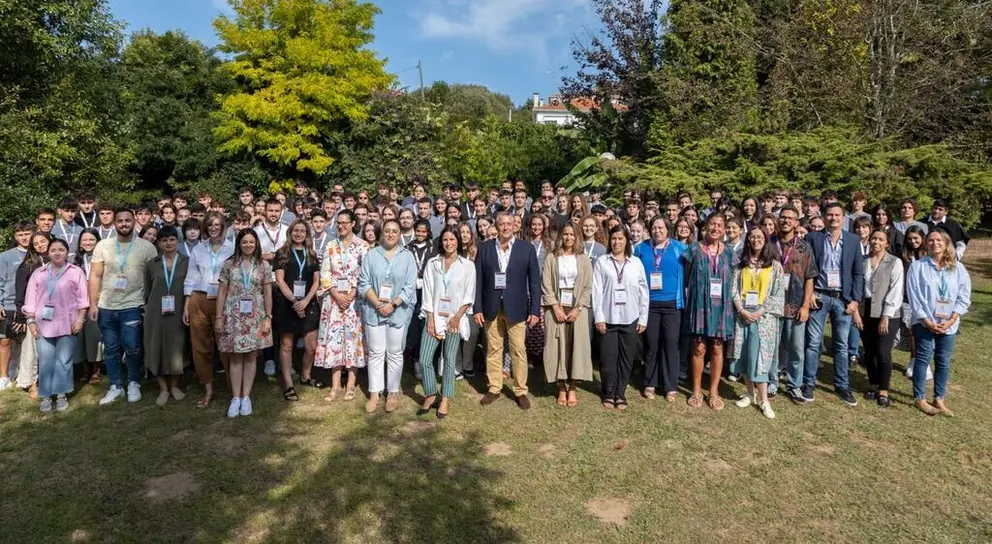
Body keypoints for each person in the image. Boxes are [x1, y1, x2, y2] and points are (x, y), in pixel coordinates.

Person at [88, 208, 158, 405]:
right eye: (120, 221)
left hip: (134, 304)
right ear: (114, 223)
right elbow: (94, 275)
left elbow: (155, 277)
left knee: (133, 347)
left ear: (134, 222)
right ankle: (115, 386)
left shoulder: (146, 247)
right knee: (110, 348)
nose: (124, 224)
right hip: (107, 306)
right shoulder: (103, 245)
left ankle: (134, 382)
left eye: (128, 220)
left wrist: (149, 303)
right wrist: (93, 303)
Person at [475, 212, 541, 409]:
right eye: (501, 224)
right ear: (496, 226)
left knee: (518, 350)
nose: (505, 227)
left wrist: (535, 310)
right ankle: (495, 387)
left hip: (517, 306)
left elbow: (535, 282)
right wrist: (477, 308)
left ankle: (520, 390)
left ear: (515, 226)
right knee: (493, 349)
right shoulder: (485, 248)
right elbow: (478, 281)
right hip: (491, 306)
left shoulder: (526, 249)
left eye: (508, 224)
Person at [803, 202, 864, 406]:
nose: (833, 218)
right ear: (825, 216)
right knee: (813, 343)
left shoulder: (854, 241)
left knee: (841, 345)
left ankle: (841, 385)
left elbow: (858, 272)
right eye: (830, 215)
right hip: (819, 296)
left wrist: (855, 300)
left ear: (844, 217)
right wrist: (809, 294)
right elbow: (807, 269)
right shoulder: (813, 238)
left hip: (842, 299)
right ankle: (809, 382)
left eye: (837, 215)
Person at [906, 229, 971, 416]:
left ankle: (939, 398)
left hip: (949, 324)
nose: (934, 243)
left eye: (938, 240)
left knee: (943, 362)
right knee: (923, 358)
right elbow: (914, 296)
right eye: (931, 240)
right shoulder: (918, 267)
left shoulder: (958, 268)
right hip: (924, 322)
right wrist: (926, 321)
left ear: (946, 243)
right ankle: (920, 398)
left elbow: (964, 296)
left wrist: (951, 320)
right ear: (926, 244)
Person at [358, 219, 417, 413]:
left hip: (397, 311)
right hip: (374, 310)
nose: (391, 234)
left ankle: (392, 392)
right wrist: (377, 303)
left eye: (395, 231)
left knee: (394, 353)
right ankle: (375, 392)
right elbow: (364, 282)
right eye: (387, 231)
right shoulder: (372, 255)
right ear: (382, 232)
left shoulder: (407, 256)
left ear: (400, 233)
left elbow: (410, 286)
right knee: (375, 352)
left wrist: (392, 304)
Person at [416, 227, 476, 419]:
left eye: (452, 239)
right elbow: (427, 292)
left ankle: (445, 399)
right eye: (445, 239)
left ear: (458, 240)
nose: (448, 243)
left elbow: (468, 296)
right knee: (425, 359)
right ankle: (431, 393)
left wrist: (457, 317)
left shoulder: (467, 266)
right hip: (433, 318)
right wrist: (431, 319)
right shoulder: (432, 263)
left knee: (450, 360)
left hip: (453, 320)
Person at [23, 238, 88, 412]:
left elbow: (83, 299)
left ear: (67, 252)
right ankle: (45, 396)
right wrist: (30, 321)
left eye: (61, 250)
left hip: (68, 323)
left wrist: (80, 319)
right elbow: (30, 298)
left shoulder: (76, 272)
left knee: (64, 360)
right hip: (43, 324)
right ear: (48, 252)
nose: (57, 253)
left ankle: (61, 394)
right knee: (45, 360)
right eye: (53, 250)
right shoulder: (39, 273)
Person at [216, 229, 273, 418]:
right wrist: (218, 317)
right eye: (244, 242)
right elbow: (222, 292)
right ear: (238, 244)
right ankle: (235, 397)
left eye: (251, 242)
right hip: (233, 316)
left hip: (255, 316)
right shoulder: (229, 264)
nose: (248, 245)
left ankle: (246, 396)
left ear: (256, 244)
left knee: (250, 356)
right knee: (235, 357)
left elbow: (267, 293)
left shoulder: (263, 265)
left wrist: (268, 317)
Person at [731, 227, 787, 419]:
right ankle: (749, 393)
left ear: (765, 240)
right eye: (752, 237)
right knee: (745, 355)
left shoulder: (775, 266)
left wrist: (759, 312)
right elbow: (734, 290)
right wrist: (741, 310)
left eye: (759, 237)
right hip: (743, 317)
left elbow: (777, 294)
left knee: (760, 358)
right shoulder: (741, 265)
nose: (756, 240)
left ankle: (764, 400)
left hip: (764, 320)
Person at [681, 214, 736, 410]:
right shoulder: (694, 249)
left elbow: (733, 278)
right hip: (699, 305)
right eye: (712, 224)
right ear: (706, 226)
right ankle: (696, 390)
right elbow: (686, 277)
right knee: (698, 348)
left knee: (717, 348)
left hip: (721, 308)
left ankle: (713, 392)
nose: (716, 228)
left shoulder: (729, 251)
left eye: (720, 225)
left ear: (724, 229)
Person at [315, 210, 369, 402]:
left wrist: (352, 293)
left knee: (353, 340)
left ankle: (352, 384)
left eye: (345, 222)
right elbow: (325, 273)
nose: (341, 226)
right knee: (334, 339)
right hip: (334, 300)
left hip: (355, 302)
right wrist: (337, 295)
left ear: (353, 223)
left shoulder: (363, 246)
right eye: (338, 223)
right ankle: (336, 385)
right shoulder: (330, 246)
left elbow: (365, 273)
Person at [593, 226, 648, 409]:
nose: (617, 242)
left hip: (630, 317)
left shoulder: (636, 263)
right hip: (608, 317)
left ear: (627, 241)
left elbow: (643, 292)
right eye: (614, 239)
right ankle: (608, 391)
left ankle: (620, 392)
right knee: (608, 358)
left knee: (626, 358)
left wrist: (643, 318)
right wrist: (599, 317)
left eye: (620, 239)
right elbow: (597, 290)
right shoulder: (602, 262)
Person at [183, 213, 234, 408]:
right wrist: (187, 305)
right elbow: (190, 277)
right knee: (201, 347)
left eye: (217, 224)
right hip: (200, 298)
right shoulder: (198, 248)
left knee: (226, 345)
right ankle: (208, 390)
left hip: (224, 300)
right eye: (210, 225)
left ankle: (233, 388)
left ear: (223, 227)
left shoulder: (231, 248)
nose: (213, 228)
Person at [634, 217, 687, 402]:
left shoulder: (679, 248)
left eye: (661, 227)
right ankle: (650, 382)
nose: (657, 230)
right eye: (654, 227)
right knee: (651, 344)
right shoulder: (641, 248)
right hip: (649, 304)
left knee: (671, 344)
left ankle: (670, 385)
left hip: (673, 303)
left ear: (668, 229)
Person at [541, 223, 593, 407]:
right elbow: (546, 283)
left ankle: (573, 386)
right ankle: (561, 386)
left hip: (576, 307)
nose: (569, 238)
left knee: (575, 347)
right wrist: (555, 306)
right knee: (557, 347)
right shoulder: (551, 258)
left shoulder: (583, 259)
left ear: (577, 237)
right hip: (556, 304)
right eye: (566, 234)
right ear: (561, 236)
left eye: (572, 234)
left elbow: (587, 286)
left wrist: (578, 308)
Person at [272, 220, 321, 401]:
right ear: (290, 232)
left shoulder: (312, 255)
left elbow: (316, 281)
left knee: (311, 347)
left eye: (302, 231)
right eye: (296, 230)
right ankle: (288, 385)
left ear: (307, 234)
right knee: (286, 345)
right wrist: (294, 301)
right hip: (287, 304)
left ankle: (305, 376)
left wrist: (306, 301)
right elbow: (280, 280)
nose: (299, 234)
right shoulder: (282, 253)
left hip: (309, 304)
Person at [856, 229, 904, 407]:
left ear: (887, 243)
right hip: (865, 310)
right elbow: (857, 287)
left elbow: (896, 290)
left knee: (883, 352)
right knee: (869, 351)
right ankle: (873, 384)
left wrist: (886, 316)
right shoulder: (862, 261)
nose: (876, 242)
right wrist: (856, 312)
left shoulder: (894, 262)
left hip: (887, 312)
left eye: (880, 239)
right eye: (873, 238)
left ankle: (884, 389)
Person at [775, 206, 818, 405]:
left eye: (790, 218)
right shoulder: (768, 244)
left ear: (796, 222)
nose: (785, 221)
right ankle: (772, 382)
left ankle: (794, 385)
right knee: (772, 348)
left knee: (797, 349)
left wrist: (805, 306)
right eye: (783, 217)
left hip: (795, 306)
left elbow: (810, 278)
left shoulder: (804, 247)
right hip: (772, 306)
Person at [142, 226, 189, 406]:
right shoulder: (152, 264)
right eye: (164, 240)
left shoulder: (186, 261)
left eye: (171, 239)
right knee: (156, 347)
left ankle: (175, 385)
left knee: (177, 346)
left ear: (177, 241)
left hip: (178, 311)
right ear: (159, 243)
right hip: (156, 313)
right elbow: (147, 289)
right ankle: (163, 388)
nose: (168, 243)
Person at [14, 232, 52, 396]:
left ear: (50, 241)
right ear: (32, 247)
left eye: (43, 241)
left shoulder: (59, 261)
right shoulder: (28, 265)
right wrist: (23, 316)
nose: (40, 245)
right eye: (36, 244)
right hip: (34, 313)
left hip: (55, 312)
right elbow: (20, 292)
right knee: (32, 349)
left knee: (51, 349)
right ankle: (32, 383)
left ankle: (50, 380)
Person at [255, 199, 289, 379]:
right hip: (263, 282)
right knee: (266, 320)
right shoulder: (256, 232)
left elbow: (290, 253)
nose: (273, 213)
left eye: (277, 210)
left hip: (283, 282)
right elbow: (251, 253)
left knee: (283, 322)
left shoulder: (287, 231)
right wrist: (265, 256)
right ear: (264, 211)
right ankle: (268, 359)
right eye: (270, 210)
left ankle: (284, 359)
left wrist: (276, 256)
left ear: (281, 211)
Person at [0, 221, 33, 390]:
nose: (24, 237)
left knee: (28, 341)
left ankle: (25, 372)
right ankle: (4, 376)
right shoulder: (5, 256)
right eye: (20, 234)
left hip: (32, 305)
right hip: (10, 304)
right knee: (6, 340)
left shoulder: (37, 252)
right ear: (15, 236)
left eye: (27, 233)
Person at [405, 219, 434, 380]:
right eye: (418, 231)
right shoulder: (407, 248)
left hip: (429, 291)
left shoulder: (434, 248)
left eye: (424, 231)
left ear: (428, 232)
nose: (421, 234)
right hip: (411, 291)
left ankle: (425, 359)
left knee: (426, 326)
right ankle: (415, 360)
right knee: (414, 326)